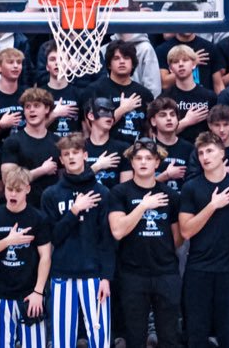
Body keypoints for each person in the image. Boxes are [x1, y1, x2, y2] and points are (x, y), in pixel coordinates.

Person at [42, 133, 114, 348]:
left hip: (94, 275)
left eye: (75, 153)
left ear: (85, 155)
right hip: (62, 273)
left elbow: (107, 240)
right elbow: (53, 237)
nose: (71, 157)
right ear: (61, 160)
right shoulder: (51, 194)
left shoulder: (102, 192)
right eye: (66, 154)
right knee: (62, 339)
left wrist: (106, 277)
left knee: (99, 338)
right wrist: (74, 211)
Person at [109, 142, 183, 348]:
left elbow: (178, 237)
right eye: (138, 158)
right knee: (135, 336)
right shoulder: (120, 193)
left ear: (157, 162)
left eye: (148, 158)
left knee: (169, 336)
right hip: (133, 274)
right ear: (131, 162)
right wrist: (143, 206)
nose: (143, 162)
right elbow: (118, 231)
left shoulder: (170, 195)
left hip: (166, 272)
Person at [0, 167, 54, 348]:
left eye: (18, 190)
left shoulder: (37, 218)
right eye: (9, 189)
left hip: (29, 295)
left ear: (27, 189)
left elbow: (46, 257)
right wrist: (7, 241)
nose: (13, 194)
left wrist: (38, 292)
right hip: (0, 294)